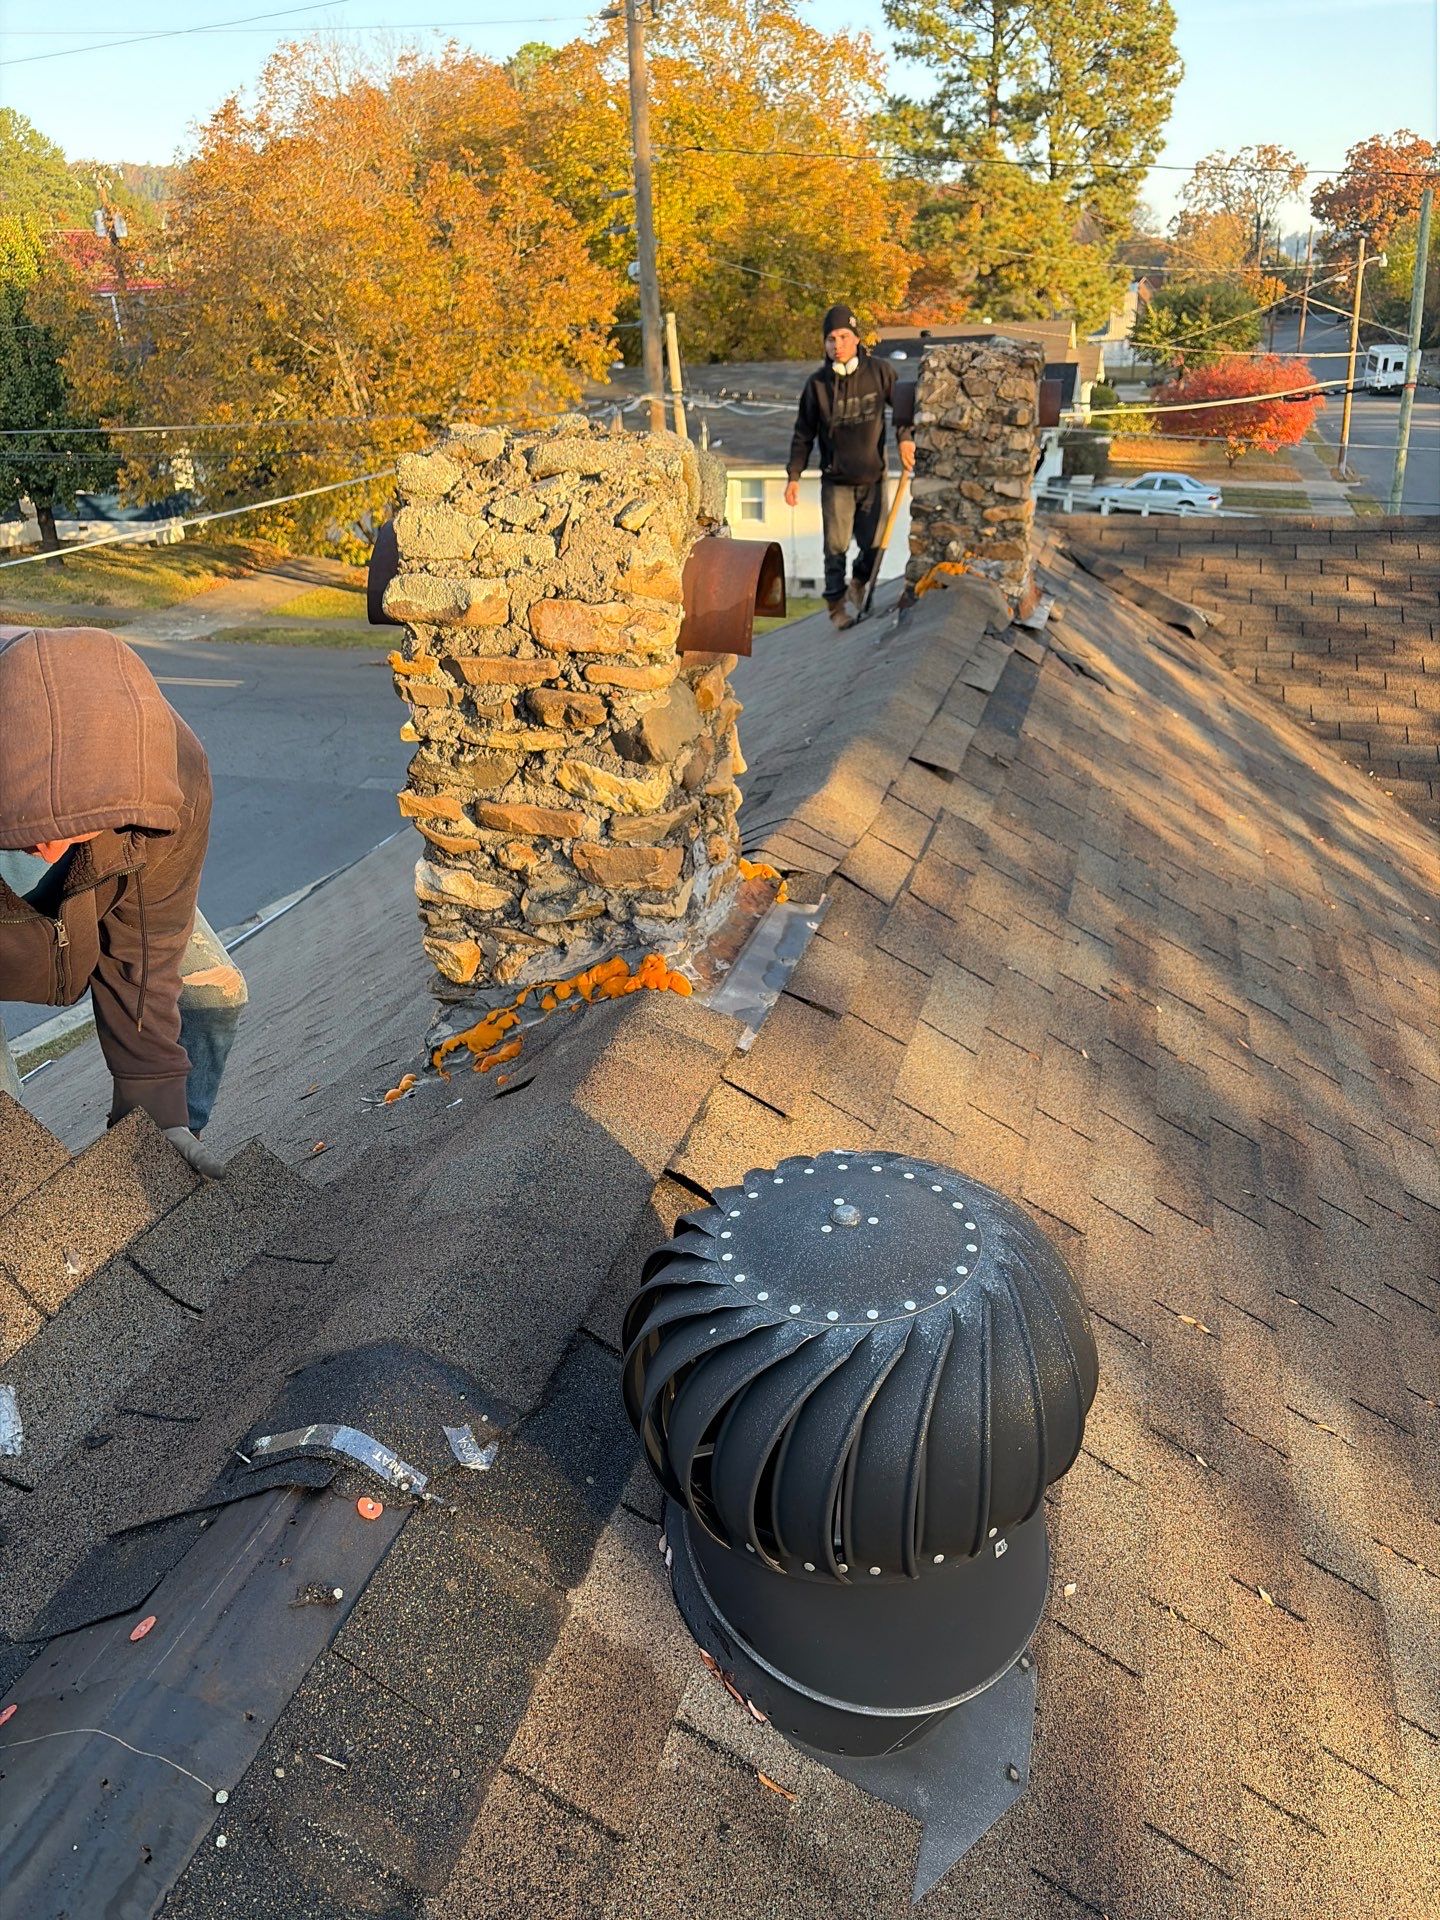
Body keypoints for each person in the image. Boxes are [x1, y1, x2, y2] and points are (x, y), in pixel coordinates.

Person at [0, 625, 246, 1177]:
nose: (42, 847)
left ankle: (150, 1172)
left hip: (117, 841)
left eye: (62, 830)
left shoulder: (168, 784)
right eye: (30, 827)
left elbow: (147, 949)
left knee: (212, 999)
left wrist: (157, 1110)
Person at [785, 302, 915, 631]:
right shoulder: (816, 386)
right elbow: (803, 434)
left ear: (856, 339)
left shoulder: (880, 372)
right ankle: (836, 607)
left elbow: (903, 409)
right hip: (836, 481)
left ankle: (859, 581)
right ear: (824, 344)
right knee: (835, 547)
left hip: (873, 477)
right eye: (831, 338)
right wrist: (794, 477)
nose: (837, 344)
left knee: (873, 544)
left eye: (844, 336)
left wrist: (905, 438)